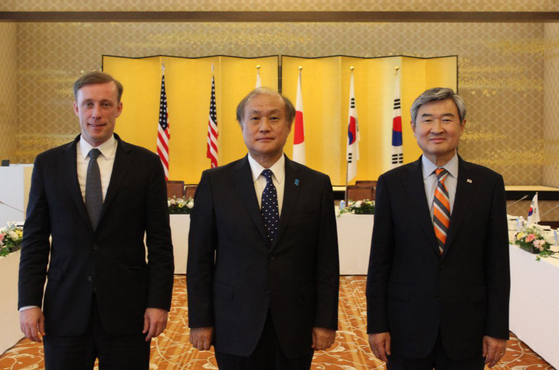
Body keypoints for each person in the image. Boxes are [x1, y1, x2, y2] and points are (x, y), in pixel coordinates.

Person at [18, 71, 174, 369]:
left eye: (105, 104)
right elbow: (35, 240)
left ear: (119, 108)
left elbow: (159, 243)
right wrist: (29, 302)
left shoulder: (146, 164)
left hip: (128, 311)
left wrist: (158, 303)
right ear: (76, 108)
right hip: (63, 310)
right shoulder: (48, 164)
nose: (96, 113)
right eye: (88, 104)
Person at [187, 87, 340, 369]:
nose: (264, 127)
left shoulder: (315, 184)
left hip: (296, 324)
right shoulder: (215, 183)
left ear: (289, 125)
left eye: (274, 118)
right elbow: (199, 259)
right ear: (242, 125)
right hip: (234, 322)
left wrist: (325, 321)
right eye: (255, 118)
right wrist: (200, 320)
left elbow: (327, 261)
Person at [366, 87, 510, 369]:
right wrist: (377, 324)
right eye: (427, 119)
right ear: (413, 127)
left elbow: (497, 264)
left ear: (462, 125)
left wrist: (497, 329)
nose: (437, 128)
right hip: (405, 324)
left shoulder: (488, 184)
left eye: (447, 119)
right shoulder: (392, 183)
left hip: (468, 327)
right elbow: (380, 261)